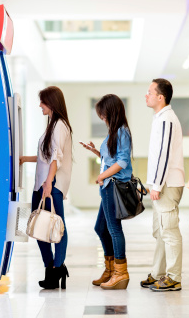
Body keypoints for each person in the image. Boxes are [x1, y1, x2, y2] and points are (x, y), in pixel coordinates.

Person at [19, 86, 73, 289]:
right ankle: (51, 268)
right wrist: (25, 159)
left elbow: (56, 158)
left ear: (52, 103)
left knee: (57, 226)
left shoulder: (60, 125)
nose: (40, 105)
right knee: (39, 227)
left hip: (52, 184)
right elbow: (46, 155)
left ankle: (56, 269)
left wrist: (49, 182)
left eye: (43, 102)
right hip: (42, 183)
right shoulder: (52, 125)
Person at [80, 94, 133, 290]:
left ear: (111, 111)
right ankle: (110, 270)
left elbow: (122, 162)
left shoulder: (122, 131)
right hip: (108, 186)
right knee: (101, 228)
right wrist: (95, 151)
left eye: (102, 113)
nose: (101, 117)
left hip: (113, 185)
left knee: (113, 229)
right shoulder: (114, 132)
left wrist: (102, 177)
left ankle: (120, 273)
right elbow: (110, 158)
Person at [139, 78, 185, 292]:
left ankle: (174, 277)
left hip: (167, 184)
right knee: (160, 231)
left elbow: (164, 155)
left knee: (169, 231)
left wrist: (156, 184)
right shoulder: (159, 118)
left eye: (149, 92)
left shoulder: (167, 119)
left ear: (161, 97)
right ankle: (158, 273)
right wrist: (153, 183)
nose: (146, 95)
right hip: (160, 183)